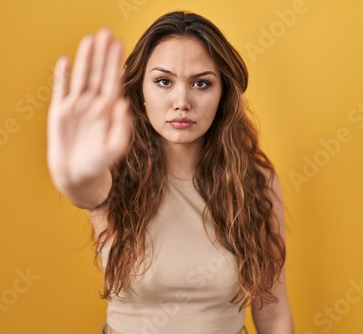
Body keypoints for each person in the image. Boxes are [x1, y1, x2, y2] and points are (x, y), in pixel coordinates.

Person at [47, 11, 294, 334]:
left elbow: (273, 311)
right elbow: (82, 187)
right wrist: (69, 172)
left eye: (201, 83)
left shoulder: (256, 179)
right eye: (164, 81)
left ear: (223, 96)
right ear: (141, 92)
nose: (182, 101)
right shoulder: (113, 172)